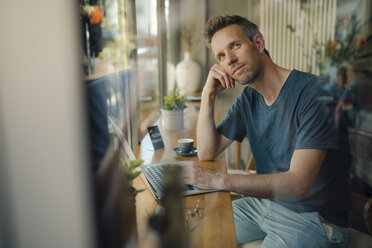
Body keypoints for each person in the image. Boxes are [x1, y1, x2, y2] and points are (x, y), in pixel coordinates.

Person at [183, 15, 351, 247]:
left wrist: (219, 180)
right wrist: (207, 95)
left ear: (259, 44)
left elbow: (298, 184)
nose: (229, 60)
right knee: (191, 231)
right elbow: (207, 152)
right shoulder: (249, 99)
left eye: (235, 46)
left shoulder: (316, 93)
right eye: (221, 56)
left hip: (314, 219)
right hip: (266, 204)